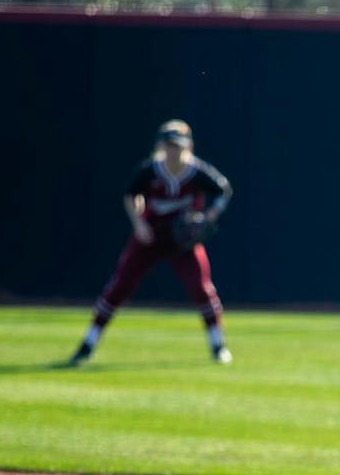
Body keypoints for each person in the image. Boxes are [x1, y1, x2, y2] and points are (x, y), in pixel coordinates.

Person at [68, 120, 233, 365]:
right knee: (118, 287)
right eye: (169, 145)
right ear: (161, 146)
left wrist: (210, 215)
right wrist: (139, 223)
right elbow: (130, 194)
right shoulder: (151, 170)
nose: (173, 151)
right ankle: (88, 343)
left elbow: (223, 190)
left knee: (202, 289)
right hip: (150, 238)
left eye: (178, 146)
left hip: (182, 242)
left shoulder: (196, 172)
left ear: (187, 147)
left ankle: (218, 345)